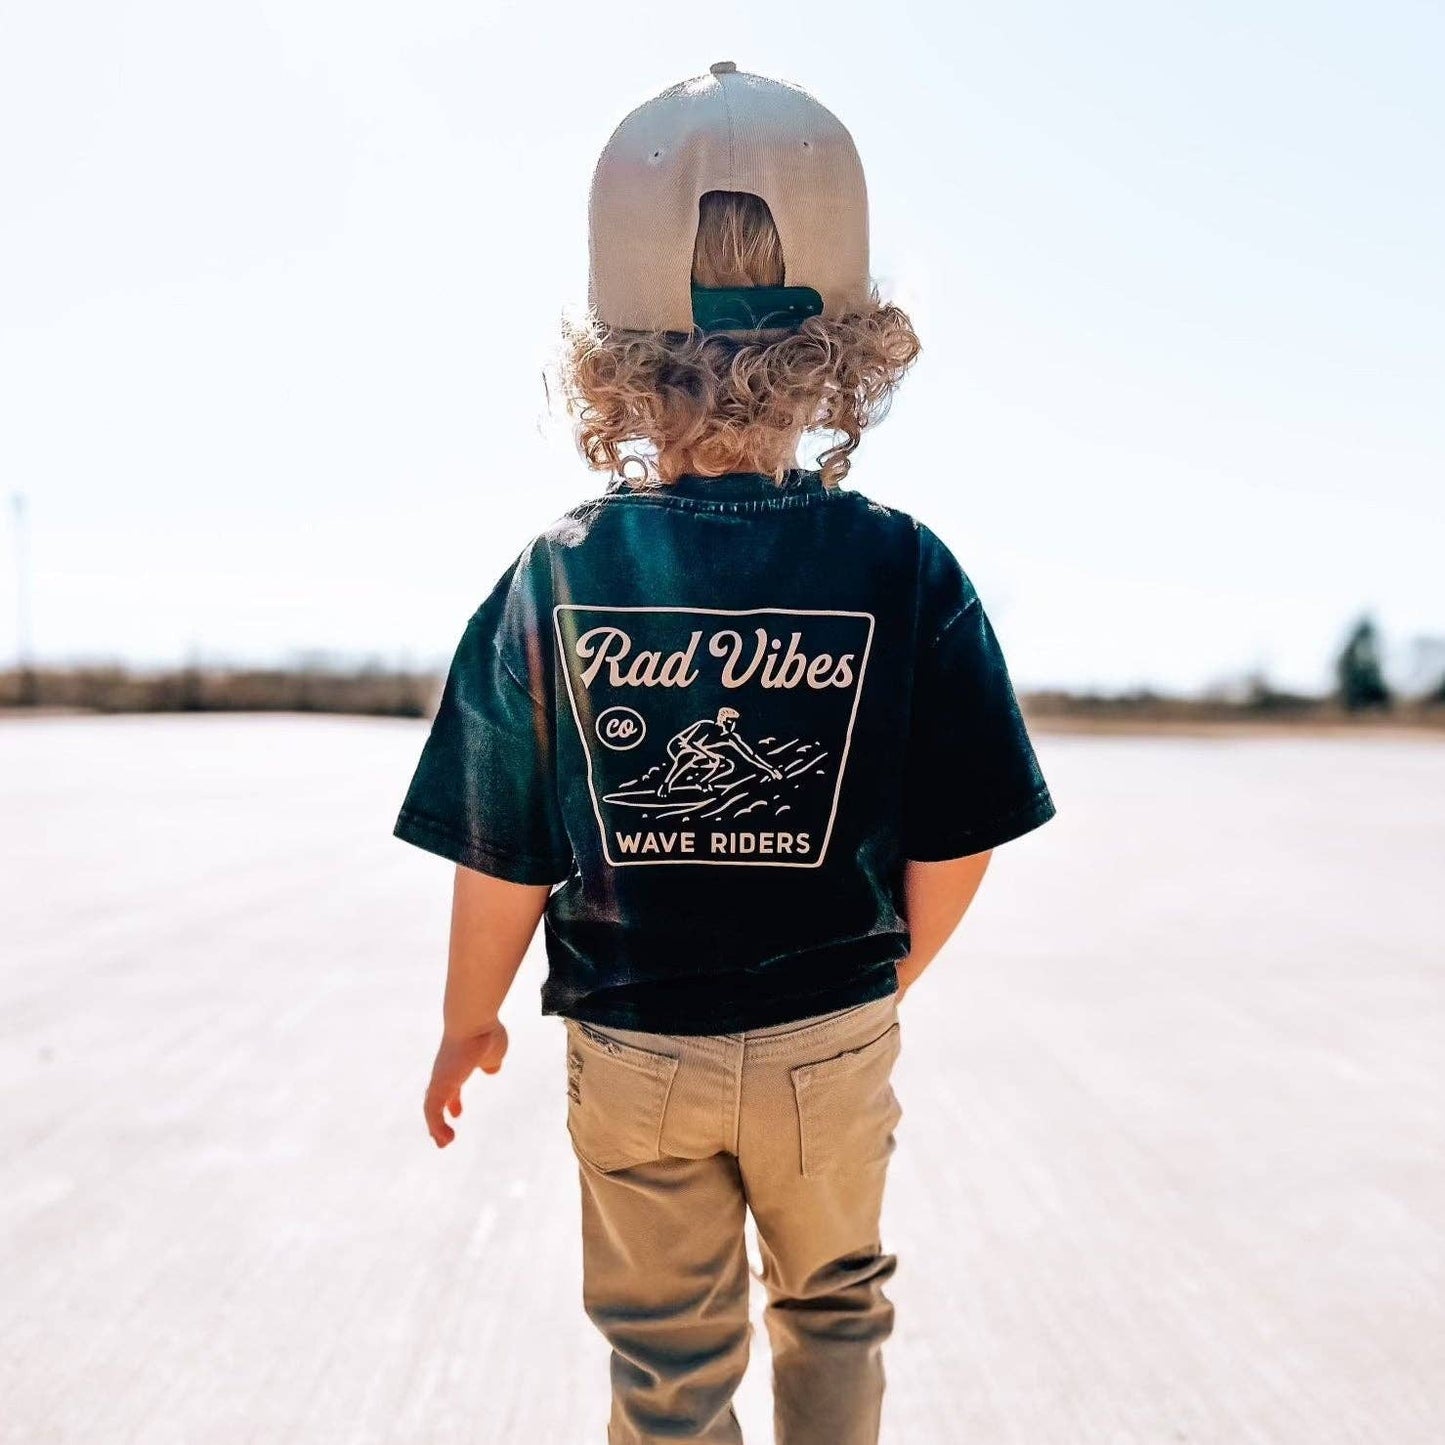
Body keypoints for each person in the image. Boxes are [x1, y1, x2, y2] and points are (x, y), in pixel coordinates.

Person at [392, 60, 1058, 1445]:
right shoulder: (903, 565)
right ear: (844, 345)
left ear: (618, 356)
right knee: (832, 1302)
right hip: (831, 1031)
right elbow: (962, 826)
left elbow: (499, 842)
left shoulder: (560, 574)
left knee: (665, 1354)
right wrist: (880, 976)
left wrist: (469, 1015)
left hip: (634, 1041)